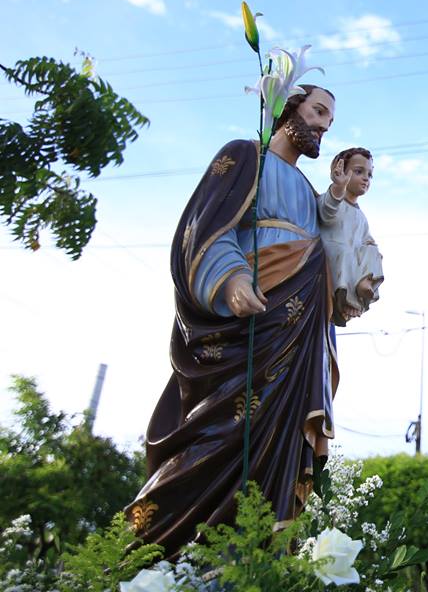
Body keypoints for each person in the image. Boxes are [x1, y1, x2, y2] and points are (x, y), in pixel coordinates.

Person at [124, 85, 345, 555]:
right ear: (288, 108)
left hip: (294, 335)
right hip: (243, 326)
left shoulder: (308, 190)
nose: (326, 125)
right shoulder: (246, 157)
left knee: (277, 441)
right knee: (220, 429)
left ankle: (252, 555)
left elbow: (328, 253)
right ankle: (172, 552)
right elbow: (204, 226)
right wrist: (229, 277)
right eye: (319, 111)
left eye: (330, 118)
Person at [318, 147, 383, 326]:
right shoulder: (333, 199)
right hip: (331, 253)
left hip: (351, 262)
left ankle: (362, 285)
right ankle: (344, 296)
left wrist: (371, 252)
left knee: (374, 250)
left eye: (369, 175)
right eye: (358, 171)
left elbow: (366, 239)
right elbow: (325, 212)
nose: (365, 178)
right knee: (345, 251)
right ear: (341, 171)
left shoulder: (361, 216)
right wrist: (338, 187)